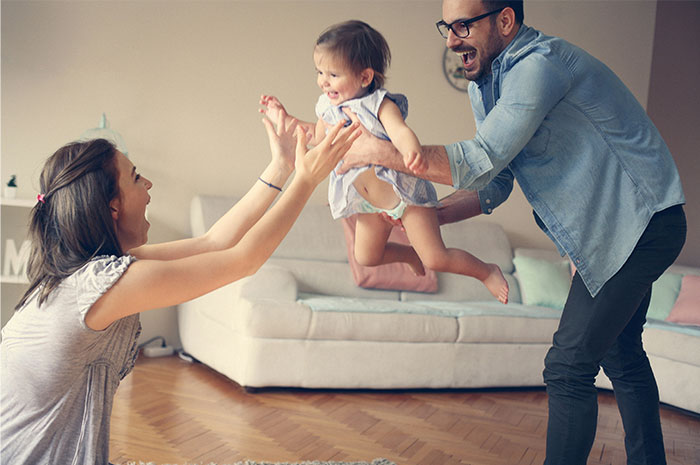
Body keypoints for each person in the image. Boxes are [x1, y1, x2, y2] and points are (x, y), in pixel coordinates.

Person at [338, 1, 687, 464]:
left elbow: (480, 157)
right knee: (622, 355)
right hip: (614, 233)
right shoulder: (485, 86)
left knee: (566, 367)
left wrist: (380, 153)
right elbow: (495, 181)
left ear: (504, 20)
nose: (451, 38)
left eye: (463, 25)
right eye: (447, 26)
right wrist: (430, 215)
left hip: (641, 221)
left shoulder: (539, 67)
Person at [0, 113, 360, 464]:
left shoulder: (88, 276)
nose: (149, 185)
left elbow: (215, 241)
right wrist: (307, 180)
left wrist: (282, 166)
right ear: (113, 205)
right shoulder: (100, 286)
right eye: (136, 177)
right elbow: (243, 260)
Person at [260, 19, 509, 304]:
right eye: (319, 71)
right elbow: (318, 136)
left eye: (332, 73)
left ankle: (486, 272)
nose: (323, 81)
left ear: (365, 77)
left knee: (436, 258)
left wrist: (410, 150)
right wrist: (288, 119)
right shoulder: (328, 108)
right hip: (369, 205)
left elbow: (400, 131)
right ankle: (406, 254)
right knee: (366, 256)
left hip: (406, 196)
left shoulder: (379, 104)